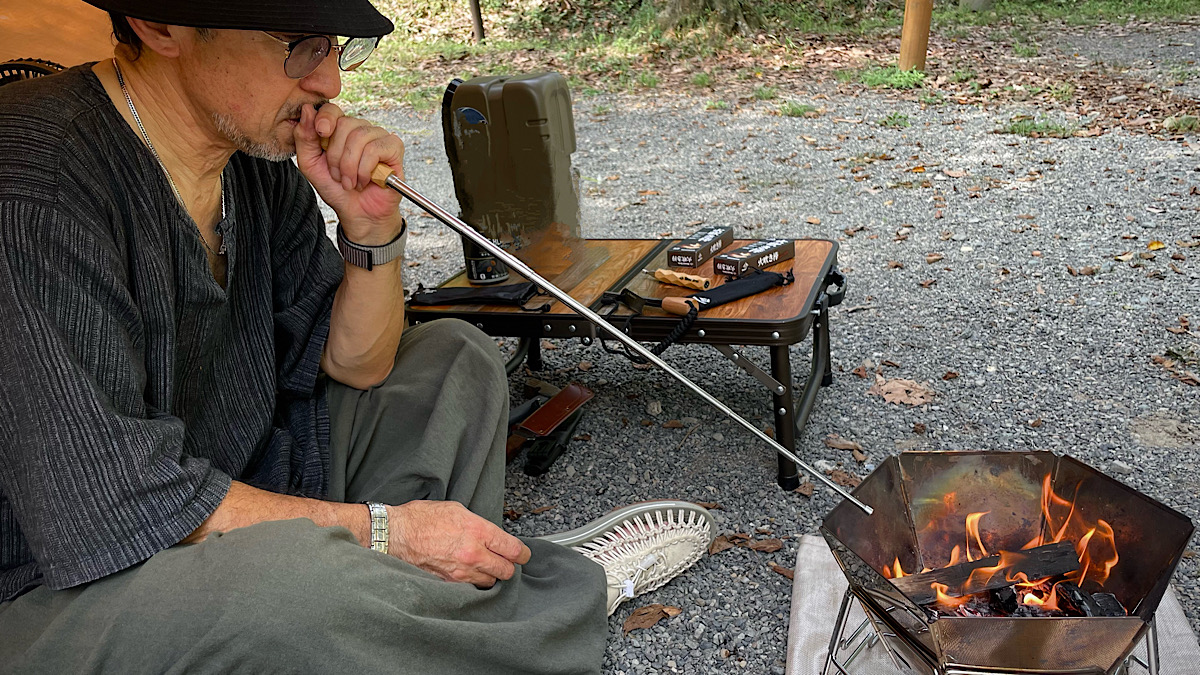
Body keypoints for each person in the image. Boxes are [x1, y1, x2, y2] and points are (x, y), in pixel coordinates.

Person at [0, 1, 712, 672]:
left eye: (338, 46)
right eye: (299, 46)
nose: (330, 79)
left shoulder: (249, 154)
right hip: (62, 584)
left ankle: (423, 601)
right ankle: (532, 597)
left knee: (452, 361)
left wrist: (372, 230)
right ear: (162, 24)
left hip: (233, 479)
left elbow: (355, 364)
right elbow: (110, 503)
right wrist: (383, 532)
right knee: (289, 588)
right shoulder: (39, 186)